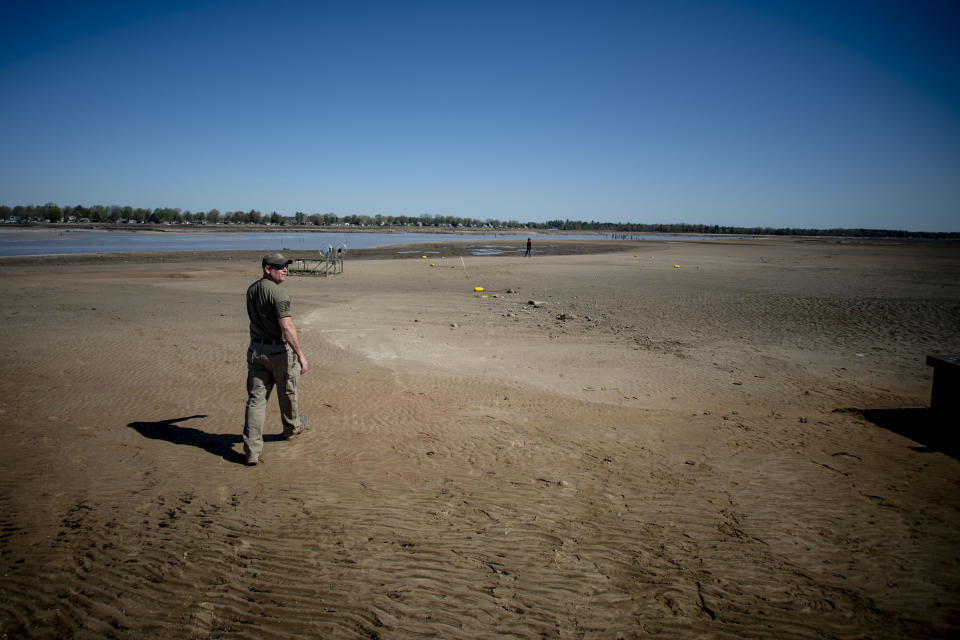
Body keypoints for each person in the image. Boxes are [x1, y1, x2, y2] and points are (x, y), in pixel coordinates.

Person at [242, 252, 309, 465]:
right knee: (288, 392)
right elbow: (286, 327)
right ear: (267, 269)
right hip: (277, 352)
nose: (285, 269)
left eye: (286, 266)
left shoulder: (252, 289)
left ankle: (252, 450)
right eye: (279, 266)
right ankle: (291, 429)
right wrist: (300, 354)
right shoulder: (278, 293)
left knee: (256, 401)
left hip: (256, 351)